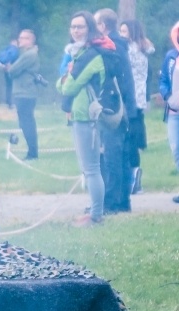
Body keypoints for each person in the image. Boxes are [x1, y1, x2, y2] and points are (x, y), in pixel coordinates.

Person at [58, 11, 109, 227]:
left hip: (87, 117)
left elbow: (67, 85)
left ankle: (96, 216)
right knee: (87, 168)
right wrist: (64, 81)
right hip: (80, 115)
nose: (76, 30)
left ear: (89, 28)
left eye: (80, 26)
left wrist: (62, 82)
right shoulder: (79, 53)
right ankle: (93, 211)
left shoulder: (91, 55)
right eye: (73, 27)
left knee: (91, 168)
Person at [94, 8, 138, 214]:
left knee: (113, 156)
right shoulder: (119, 45)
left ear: (103, 26)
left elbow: (120, 80)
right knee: (120, 156)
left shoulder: (110, 47)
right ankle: (122, 201)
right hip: (124, 107)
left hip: (114, 108)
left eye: (96, 24)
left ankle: (112, 202)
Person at [120, 20, 155, 194]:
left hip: (129, 98)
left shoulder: (130, 49)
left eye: (124, 31)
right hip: (139, 99)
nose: (121, 35)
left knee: (127, 140)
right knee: (132, 139)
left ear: (132, 32)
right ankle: (135, 176)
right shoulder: (143, 49)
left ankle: (132, 178)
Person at [6, 29, 40, 160]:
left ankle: (32, 153)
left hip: (25, 93)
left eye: (23, 38)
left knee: (27, 122)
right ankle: (31, 151)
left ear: (30, 41)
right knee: (25, 122)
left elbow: (13, 71)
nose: (20, 40)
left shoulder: (29, 55)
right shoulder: (26, 54)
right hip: (24, 92)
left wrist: (9, 67)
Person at [160, 20, 179, 203]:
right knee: (176, 150)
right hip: (174, 113)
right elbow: (164, 80)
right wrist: (167, 96)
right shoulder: (171, 57)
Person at [0, 38, 19, 108]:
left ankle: (9, 102)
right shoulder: (15, 50)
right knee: (14, 86)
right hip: (13, 70)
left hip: (6, 70)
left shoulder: (5, 50)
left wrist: (2, 65)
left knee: (9, 86)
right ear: (14, 42)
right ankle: (13, 102)